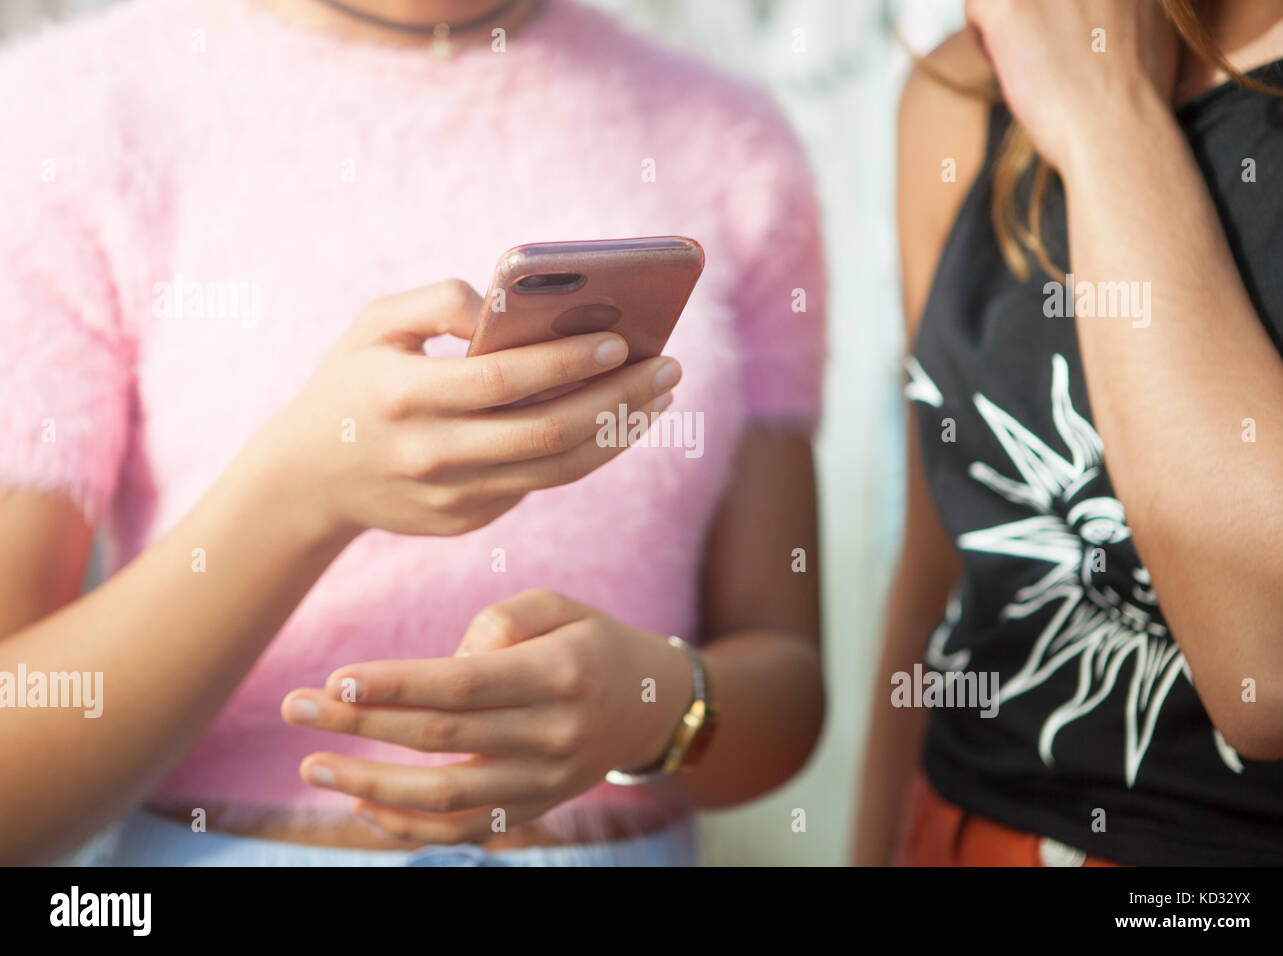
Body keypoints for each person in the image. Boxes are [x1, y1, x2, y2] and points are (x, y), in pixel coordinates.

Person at [0, 0, 825, 866]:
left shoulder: (730, 137)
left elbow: (788, 687)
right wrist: (299, 497)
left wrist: (653, 705)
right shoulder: (70, 116)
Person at [856, 0, 1283, 866]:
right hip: (954, 827)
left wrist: (1108, 122)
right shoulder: (965, 90)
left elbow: (1276, 675)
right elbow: (937, 564)